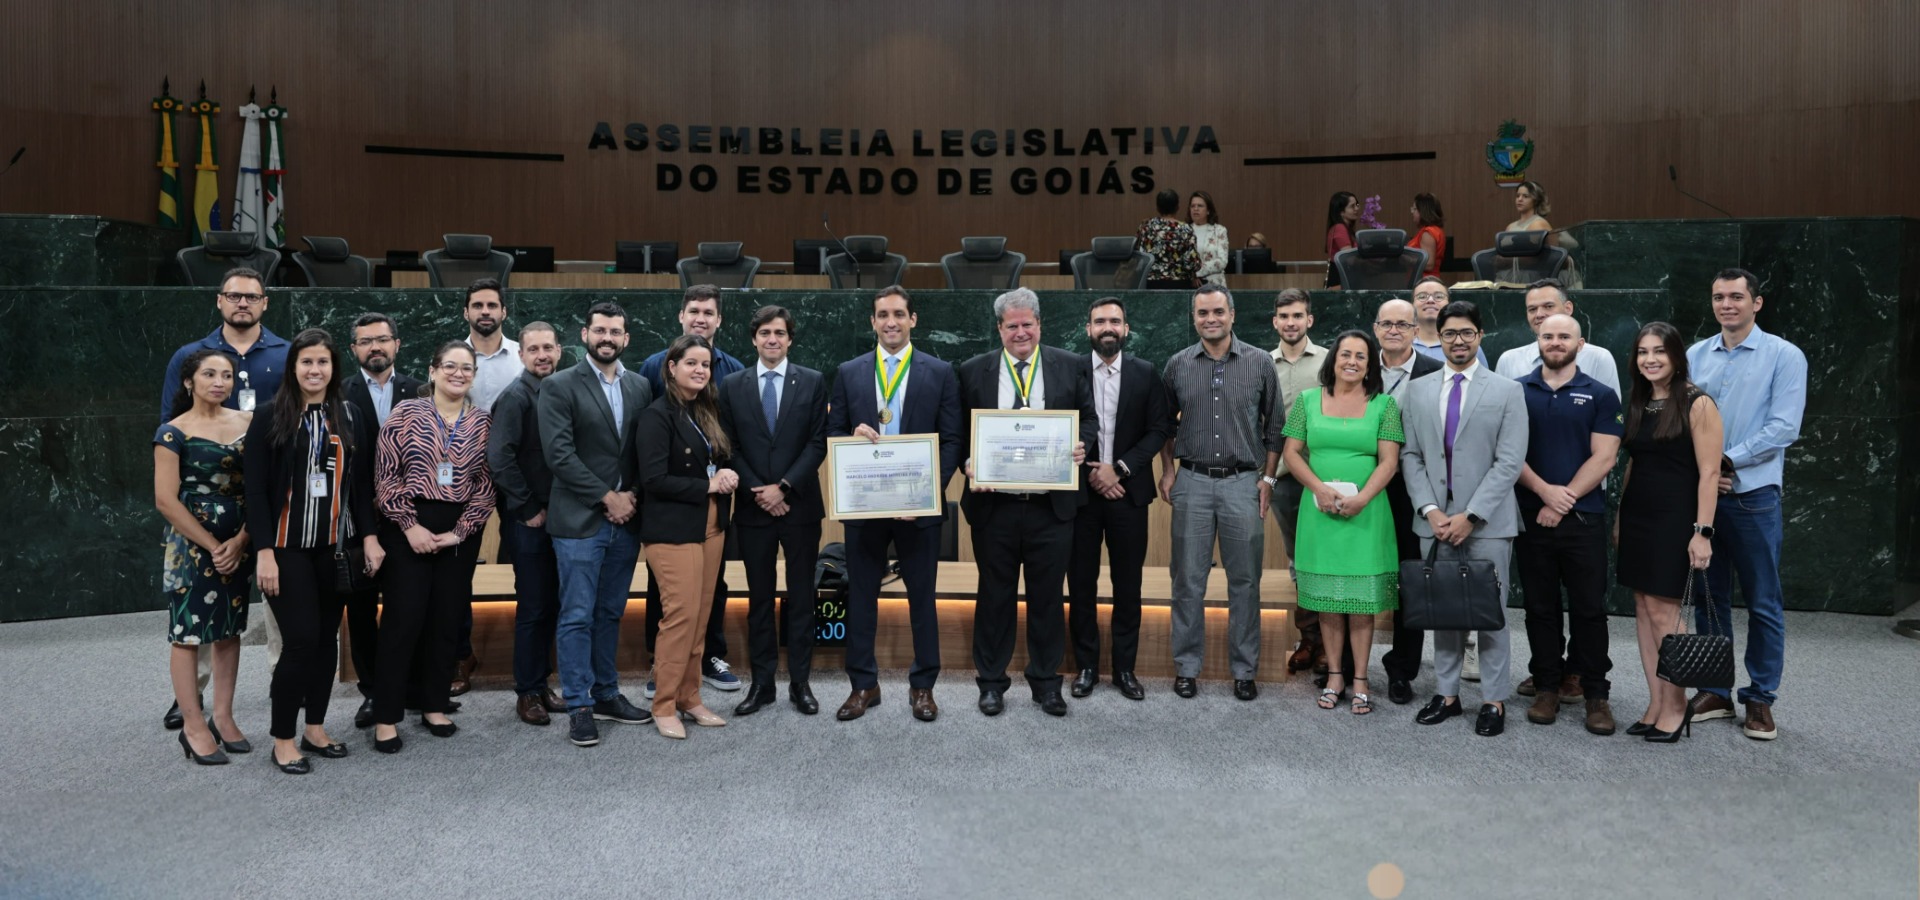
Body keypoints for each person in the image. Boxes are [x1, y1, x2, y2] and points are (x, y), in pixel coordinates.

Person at [242, 328, 383, 774]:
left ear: (333, 368)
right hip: (285, 550)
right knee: (300, 642)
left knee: (325, 644)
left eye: (322, 362)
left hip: (335, 549)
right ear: (293, 367)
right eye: (306, 362)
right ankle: (282, 737)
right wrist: (263, 551)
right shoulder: (270, 416)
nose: (315, 370)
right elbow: (255, 492)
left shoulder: (351, 415)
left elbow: (361, 485)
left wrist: (371, 536)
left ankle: (315, 728)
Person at [158, 266, 288, 731]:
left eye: (251, 297)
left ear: (264, 302)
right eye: (233, 296)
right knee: (198, 617)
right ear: (219, 301)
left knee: (268, 606)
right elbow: (171, 427)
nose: (242, 304)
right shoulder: (189, 355)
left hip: (260, 506)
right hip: (201, 514)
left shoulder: (286, 354)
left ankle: (281, 684)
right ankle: (190, 698)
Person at [826, 286, 963, 723]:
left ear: (913, 320)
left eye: (899, 314)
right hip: (866, 507)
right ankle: (863, 685)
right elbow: (833, 434)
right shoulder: (849, 371)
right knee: (861, 595)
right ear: (872, 322)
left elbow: (953, 439)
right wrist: (851, 440)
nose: (891, 322)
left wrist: (928, 494)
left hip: (917, 509)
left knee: (922, 598)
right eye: (882, 314)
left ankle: (923, 686)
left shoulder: (940, 371)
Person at [957, 288, 1096, 717]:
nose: (1021, 332)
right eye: (1012, 325)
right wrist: (967, 461)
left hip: (1050, 508)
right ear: (999, 328)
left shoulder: (1070, 365)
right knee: (994, 596)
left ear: (1039, 325)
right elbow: (960, 429)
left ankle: (1045, 682)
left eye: (1027, 324)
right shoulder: (972, 370)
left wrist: (1082, 445)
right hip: (993, 507)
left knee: (1047, 597)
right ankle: (992, 683)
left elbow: (1088, 419)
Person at [1684, 268, 1807, 741]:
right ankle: (1714, 689)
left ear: (1757, 303)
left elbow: (1783, 427)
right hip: (1704, 498)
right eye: (1718, 297)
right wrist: (1704, 474)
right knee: (1709, 599)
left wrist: (1725, 460)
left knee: (1763, 602)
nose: (1726, 304)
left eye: (1737, 296)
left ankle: (1759, 698)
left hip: (1753, 497)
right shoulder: (1696, 354)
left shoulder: (1784, 356)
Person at [1398, 301, 1528, 737]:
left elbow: (1509, 463)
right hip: (1433, 522)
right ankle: (1447, 694)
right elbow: (1410, 456)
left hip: (1488, 522)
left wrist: (1470, 515)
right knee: (1445, 610)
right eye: (1450, 333)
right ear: (1439, 336)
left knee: (1489, 613)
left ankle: (1493, 700)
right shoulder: (1417, 390)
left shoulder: (1507, 390)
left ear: (1480, 336)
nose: (1458, 340)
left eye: (1466, 333)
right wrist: (1432, 511)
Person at [1156, 284, 1285, 701]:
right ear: (1193, 317)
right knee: (1187, 580)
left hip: (1241, 483)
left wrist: (1267, 479)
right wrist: (1167, 470)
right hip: (1191, 482)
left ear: (1232, 314)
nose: (1210, 319)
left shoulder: (1260, 362)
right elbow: (1165, 426)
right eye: (1202, 313)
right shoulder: (1177, 364)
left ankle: (1244, 670)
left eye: (1217, 312)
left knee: (1245, 581)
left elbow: (1275, 426)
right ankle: (1187, 667)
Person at [538, 301, 655, 748]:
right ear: (585, 334)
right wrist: (608, 498)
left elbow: (646, 450)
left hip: (626, 523)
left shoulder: (642, 386)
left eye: (616, 332)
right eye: (600, 330)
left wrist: (631, 498)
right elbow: (559, 455)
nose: (608, 338)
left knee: (610, 613)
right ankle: (579, 705)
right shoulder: (560, 386)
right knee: (577, 615)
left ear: (626, 339)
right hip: (580, 522)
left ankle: (606, 694)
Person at [370, 341, 494, 754]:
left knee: (446, 620)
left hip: (458, 532)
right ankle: (387, 715)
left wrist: (462, 530)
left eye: (467, 369)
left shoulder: (481, 422)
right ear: (433, 369)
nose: (459, 374)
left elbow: (485, 485)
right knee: (403, 621)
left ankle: (434, 704)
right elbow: (385, 476)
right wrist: (409, 526)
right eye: (450, 366)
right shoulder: (405, 414)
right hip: (408, 529)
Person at [1279, 330, 1404, 716]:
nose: (1352, 361)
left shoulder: (1384, 405)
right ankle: (1335, 676)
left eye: (1361, 356)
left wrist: (1362, 498)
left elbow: (1389, 461)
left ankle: (1361, 680)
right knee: (1328, 603)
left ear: (1370, 365)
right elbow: (1292, 453)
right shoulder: (1306, 401)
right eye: (1345, 354)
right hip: (1320, 516)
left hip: (1367, 514)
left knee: (1362, 603)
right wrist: (1318, 488)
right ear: (1332, 359)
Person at [715, 306, 829, 717]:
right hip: (752, 508)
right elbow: (727, 444)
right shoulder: (731, 384)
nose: (772, 340)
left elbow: (817, 442)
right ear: (754, 338)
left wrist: (783, 487)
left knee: (801, 598)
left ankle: (800, 683)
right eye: (765, 333)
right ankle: (762, 684)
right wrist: (758, 491)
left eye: (780, 333)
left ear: (790, 339)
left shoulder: (813, 382)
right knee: (759, 599)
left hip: (798, 506)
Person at [1514, 315, 1624, 734]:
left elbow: (1605, 457)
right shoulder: (1517, 391)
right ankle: (1546, 686)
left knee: (1589, 610)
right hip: (1531, 516)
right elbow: (1508, 453)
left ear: (1581, 344)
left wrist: (1563, 500)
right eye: (1548, 336)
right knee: (1539, 608)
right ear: (1537, 340)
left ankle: (1596, 694)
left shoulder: (1601, 394)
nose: (1555, 342)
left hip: (1583, 518)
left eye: (1564, 336)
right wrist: (1545, 493)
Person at [1616, 322, 1725, 743]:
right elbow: (1633, 464)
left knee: (1665, 612)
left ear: (1677, 356)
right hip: (1639, 516)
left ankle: (1677, 706)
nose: (1650, 359)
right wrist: (1621, 520)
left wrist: (1703, 532)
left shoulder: (1698, 403)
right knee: (1643, 609)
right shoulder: (1641, 400)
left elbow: (1710, 472)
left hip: (1675, 519)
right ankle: (1656, 702)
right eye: (1643, 352)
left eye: (1659, 351)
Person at [638, 283, 748, 695]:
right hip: (669, 502)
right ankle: (660, 663)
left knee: (712, 584)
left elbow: (734, 434)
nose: (701, 317)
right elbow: (648, 433)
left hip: (715, 504)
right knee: (663, 587)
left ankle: (708, 657)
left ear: (719, 320)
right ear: (681, 316)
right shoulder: (652, 366)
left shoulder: (734, 368)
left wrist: (727, 476)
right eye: (694, 311)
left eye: (709, 312)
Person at [1067, 297, 1172, 701]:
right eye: (1099, 321)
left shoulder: (1146, 373)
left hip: (1129, 494)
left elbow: (1158, 428)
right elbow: (1062, 424)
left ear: (1126, 328)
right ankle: (1087, 667)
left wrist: (1120, 469)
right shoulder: (1070, 370)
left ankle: (1124, 668)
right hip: (1080, 495)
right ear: (1088, 328)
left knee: (1128, 585)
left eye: (1115, 321)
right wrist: (1095, 472)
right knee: (1081, 585)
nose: (1107, 327)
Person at [155, 349, 254, 764]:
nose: (219, 381)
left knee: (229, 631)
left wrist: (242, 540)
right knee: (188, 633)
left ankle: (224, 717)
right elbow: (165, 500)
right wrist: (214, 546)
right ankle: (193, 727)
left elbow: (260, 489)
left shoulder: (248, 423)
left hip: (239, 541)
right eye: (209, 374)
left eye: (227, 375)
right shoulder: (173, 432)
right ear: (189, 381)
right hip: (192, 548)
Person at [340, 312, 425, 729]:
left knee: (406, 605)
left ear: (397, 344)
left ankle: (409, 685)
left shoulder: (420, 391)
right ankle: (372, 691)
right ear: (353, 349)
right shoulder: (339, 394)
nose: (375, 347)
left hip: (408, 517)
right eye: (365, 341)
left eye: (382, 339)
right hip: (356, 518)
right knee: (360, 609)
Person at [487, 322, 568, 726]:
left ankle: (542, 683)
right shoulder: (516, 397)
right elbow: (499, 458)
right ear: (521, 355)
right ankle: (527, 693)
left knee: (551, 603)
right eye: (533, 349)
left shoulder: (557, 392)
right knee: (534, 607)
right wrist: (527, 507)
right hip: (530, 522)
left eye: (548, 348)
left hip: (562, 520)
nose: (541, 355)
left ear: (560, 351)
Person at [448, 277, 522, 696]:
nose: (485, 312)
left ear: (504, 312)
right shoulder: (453, 358)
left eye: (492, 305)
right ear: (466, 312)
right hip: (464, 480)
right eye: (477, 305)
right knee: (458, 575)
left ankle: (528, 662)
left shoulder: (522, 357)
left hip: (515, 480)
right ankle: (461, 655)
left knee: (528, 571)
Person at [1371, 299, 1444, 706]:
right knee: (1360, 573)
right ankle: (1347, 666)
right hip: (1364, 487)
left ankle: (1402, 670)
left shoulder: (1435, 372)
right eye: (1387, 323)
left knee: (1410, 581)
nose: (1394, 330)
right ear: (1376, 328)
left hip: (1414, 491)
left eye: (1403, 324)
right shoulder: (1360, 367)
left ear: (1417, 330)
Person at [1266, 289, 1331, 678]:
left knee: (1330, 560)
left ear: (1310, 320)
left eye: (1298, 316)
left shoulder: (1329, 361)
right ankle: (1310, 640)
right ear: (1275, 322)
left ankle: (1332, 643)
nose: (1290, 322)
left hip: (1326, 478)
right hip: (1285, 480)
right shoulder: (1261, 362)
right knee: (1300, 562)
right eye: (1284, 316)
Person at [1493, 279, 1620, 398]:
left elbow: (1609, 412)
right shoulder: (1509, 361)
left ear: (1568, 308)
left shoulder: (1598, 358)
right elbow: (1499, 413)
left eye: (1548, 306)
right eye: (1532, 309)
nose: (1539, 314)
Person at [1410, 276, 1487, 367]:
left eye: (1438, 296)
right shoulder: (1403, 344)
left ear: (1449, 303)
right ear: (1412, 304)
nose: (1430, 301)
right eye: (1422, 296)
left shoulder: (1469, 346)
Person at [1137, 188, 1200, 290]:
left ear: (1157, 207)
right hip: (1179, 283)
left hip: (1151, 283)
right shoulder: (1186, 229)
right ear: (1177, 207)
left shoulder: (1146, 227)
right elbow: (1191, 263)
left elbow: (1139, 255)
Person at [1188, 191, 1230, 285]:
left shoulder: (1219, 230)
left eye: (1200, 206)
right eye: (1193, 206)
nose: (1196, 209)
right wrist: (1192, 276)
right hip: (1190, 285)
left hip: (1215, 285)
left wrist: (1197, 273)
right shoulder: (1184, 230)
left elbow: (1222, 261)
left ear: (1208, 210)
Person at [1324, 191, 1360, 288]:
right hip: (1340, 279)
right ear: (1341, 212)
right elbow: (1349, 258)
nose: (1356, 208)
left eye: (1357, 205)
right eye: (1352, 206)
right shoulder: (1340, 228)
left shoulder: (1343, 228)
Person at [1406, 193, 1446, 279]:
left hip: (1425, 284)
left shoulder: (1428, 233)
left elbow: (1428, 264)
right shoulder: (1432, 230)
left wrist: (1404, 258)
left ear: (1423, 211)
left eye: (1414, 209)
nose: (1412, 212)